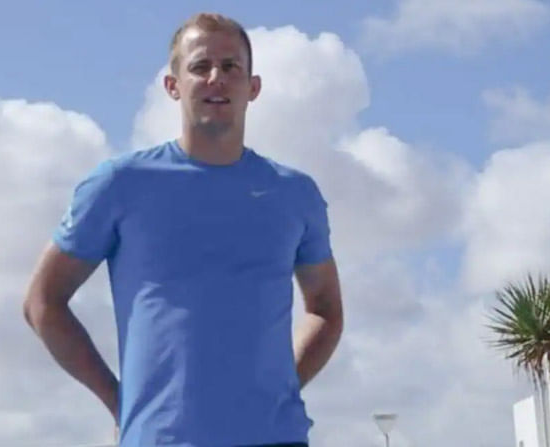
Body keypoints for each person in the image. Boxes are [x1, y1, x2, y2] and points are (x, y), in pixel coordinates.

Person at [23, 12, 343, 447]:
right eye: (200, 66)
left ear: (253, 87)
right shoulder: (120, 184)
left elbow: (325, 308)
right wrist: (119, 402)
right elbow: (42, 302)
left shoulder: (294, 194)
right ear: (173, 85)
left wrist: (282, 388)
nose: (216, 78)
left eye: (231, 66)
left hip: (276, 438)